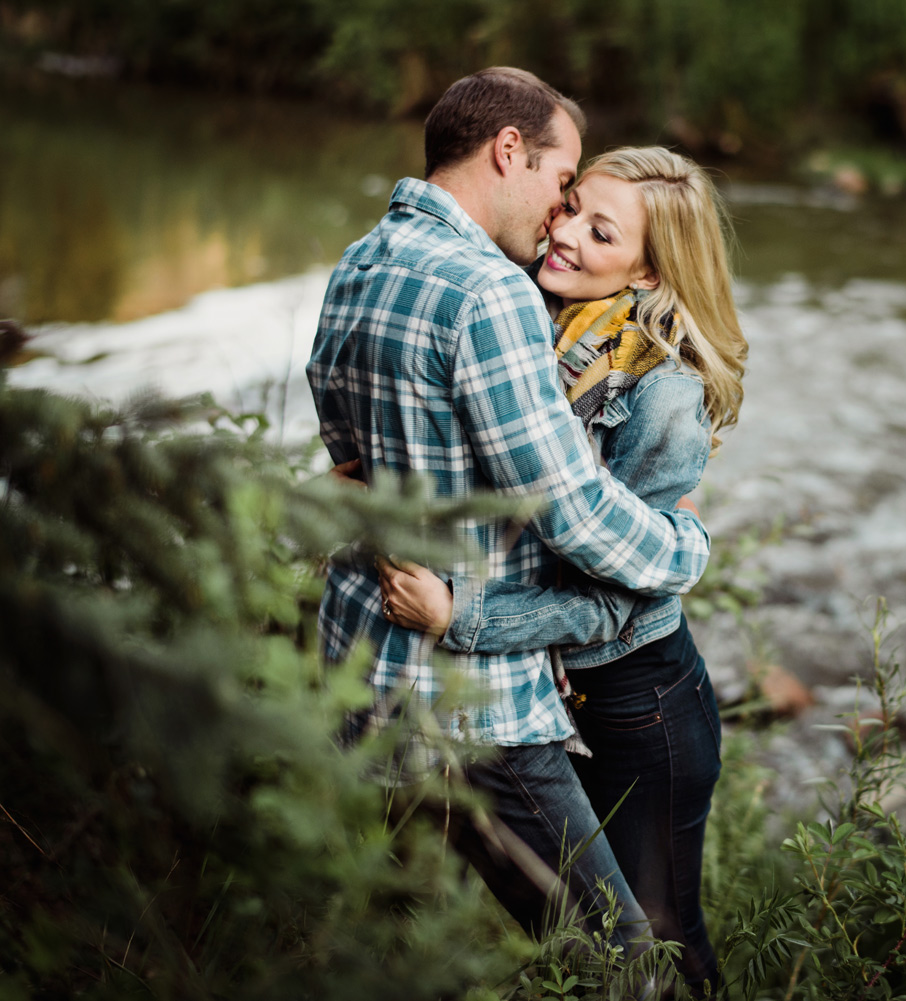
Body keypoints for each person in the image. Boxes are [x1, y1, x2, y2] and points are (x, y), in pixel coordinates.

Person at [305, 68, 712, 954]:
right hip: (475, 704)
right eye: (564, 186)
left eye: (590, 217)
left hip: (363, 667)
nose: (559, 216)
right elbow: (567, 509)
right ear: (509, 152)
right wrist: (686, 553)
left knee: (400, 948)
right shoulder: (491, 293)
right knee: (621, 958)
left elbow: (349, 452)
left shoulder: (362, 259)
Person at [378, 146, 747, 994]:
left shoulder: (661, 392)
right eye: (572, 204)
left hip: (637, 703)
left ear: (651, 270)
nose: (565, 233)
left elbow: (617, 605)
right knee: (582, 939)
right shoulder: (528, 315)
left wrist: (460, 618)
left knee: (659, 939)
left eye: (600, 230)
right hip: (553, 696)